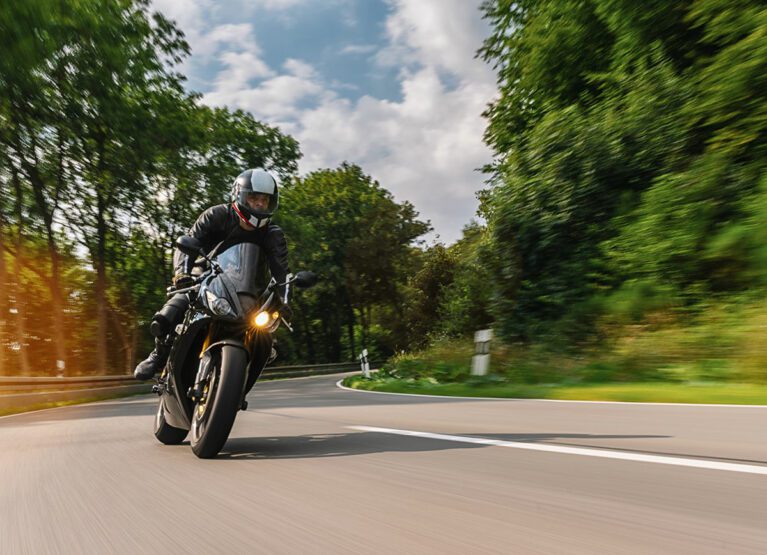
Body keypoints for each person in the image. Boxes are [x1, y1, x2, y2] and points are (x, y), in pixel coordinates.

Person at [134, 168, 291, 381]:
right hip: (205, 278)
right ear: (239, 195)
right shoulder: (216, 216)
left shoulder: (273, 235)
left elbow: (282, 273)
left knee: (265, 336)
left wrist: (285, 299)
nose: (260, 204)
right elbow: (187, 243)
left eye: (265, 200)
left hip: (247, 293)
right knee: (166, 317)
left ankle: (239, 382)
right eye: (254, 198)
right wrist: (182, 274)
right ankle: (158, 356)